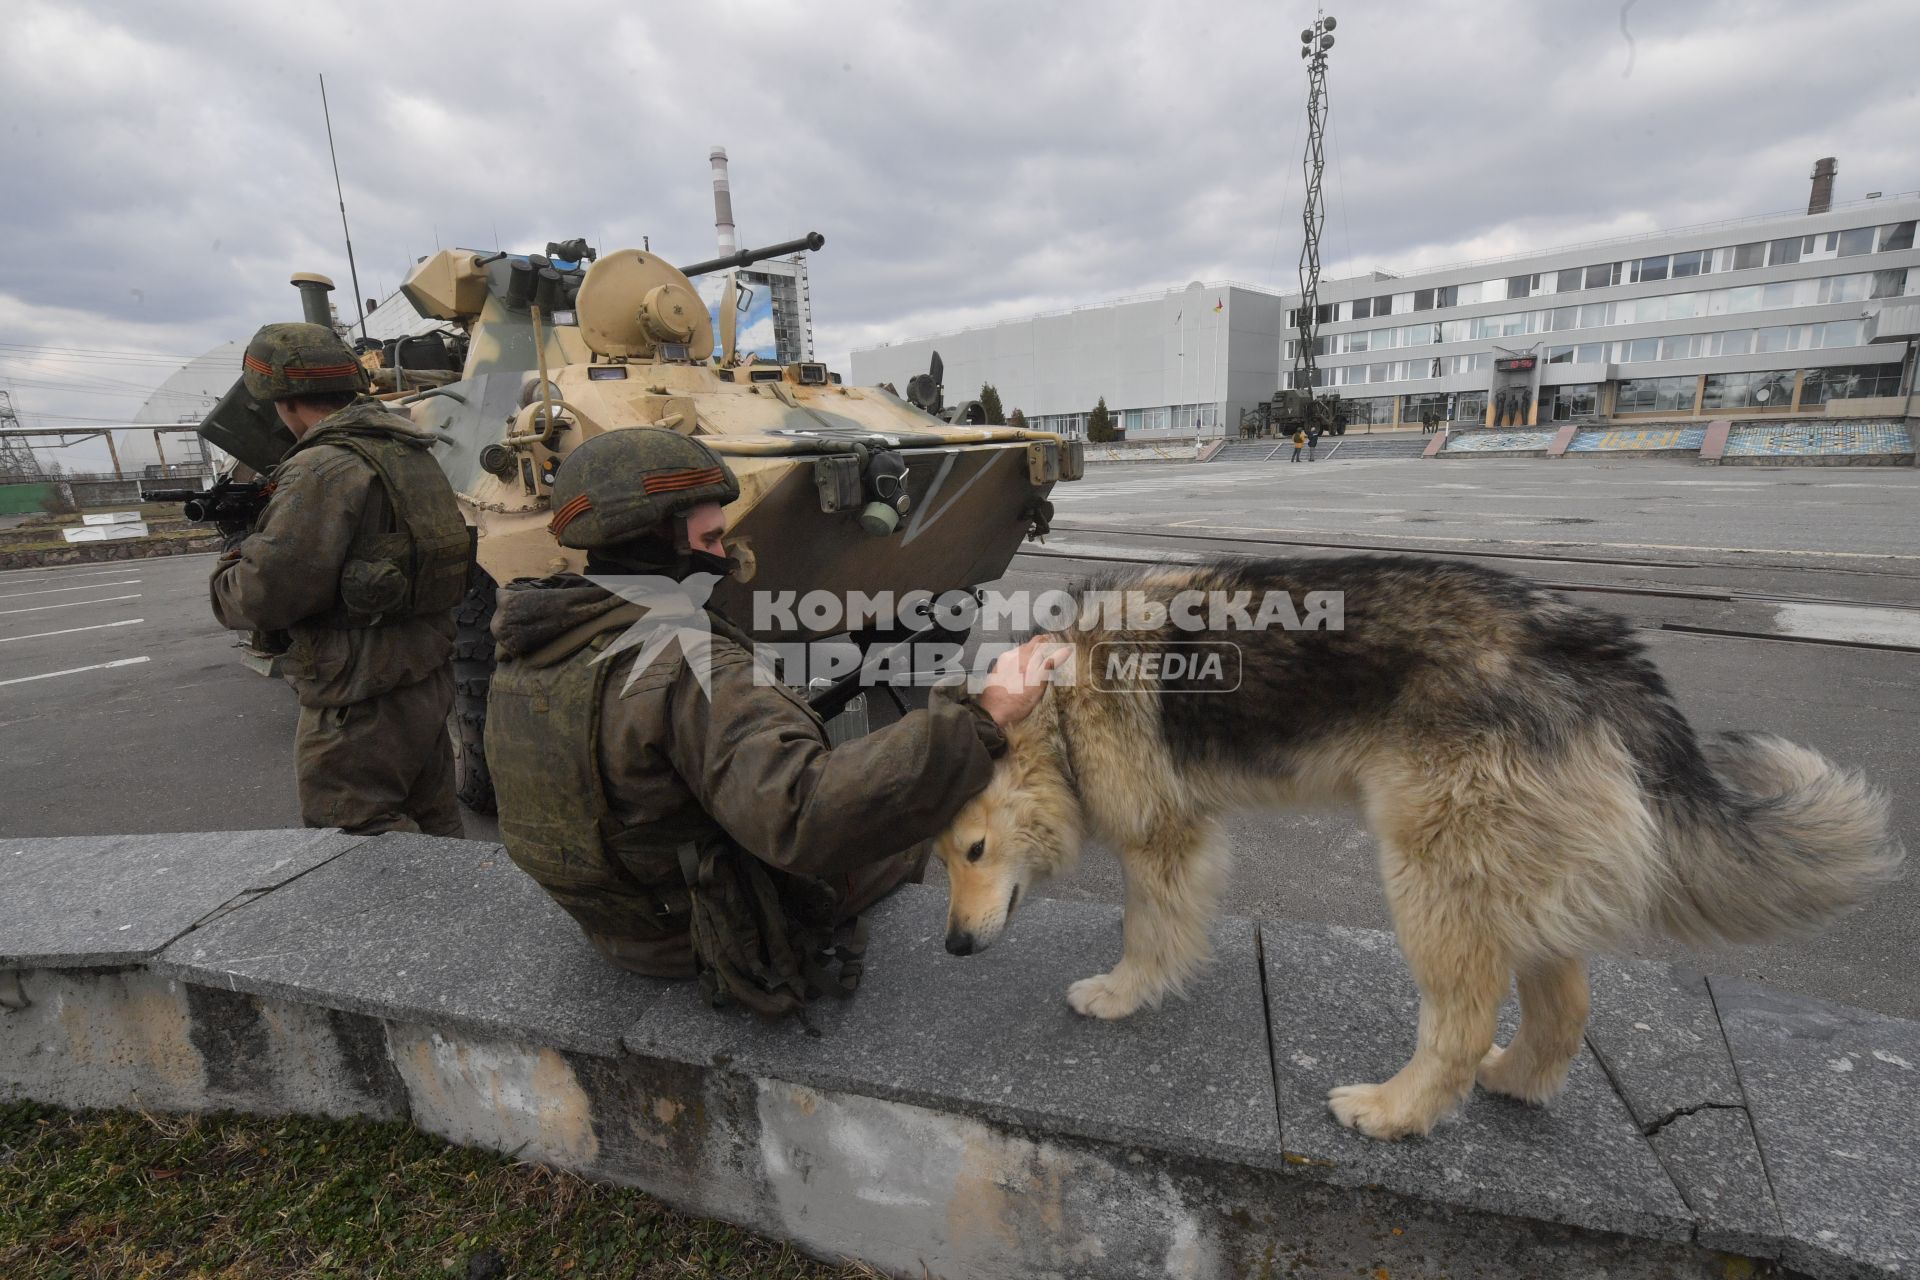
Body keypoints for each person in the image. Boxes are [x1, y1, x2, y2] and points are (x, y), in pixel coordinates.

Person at [484, 428, 1062, 1014]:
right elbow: (807, 813)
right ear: (659, 544)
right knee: (897, 831)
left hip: (616, 921)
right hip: (694, 936)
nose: (725, 556)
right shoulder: (691, 668)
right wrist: (985, 714)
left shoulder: (544, 635)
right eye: (710, 539)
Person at [211, 323, 472, 836]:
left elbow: (262, 596)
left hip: (357, 694)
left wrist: (230, 561)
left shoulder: (323, 468)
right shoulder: (409, 451)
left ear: (281, 401)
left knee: (353, 835)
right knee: (434, 821)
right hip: (421, 672)